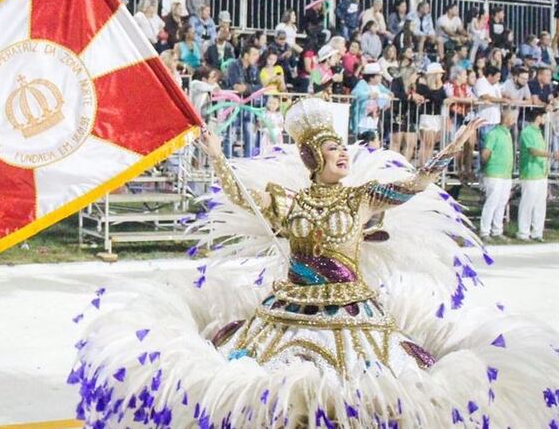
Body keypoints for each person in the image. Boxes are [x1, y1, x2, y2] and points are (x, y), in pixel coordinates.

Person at [72, 98, 559, 428]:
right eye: (332, 150)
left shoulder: (363, 199)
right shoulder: (290, 202)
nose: (342, 154)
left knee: (375, 391)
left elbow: (412, 186)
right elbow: (241, 195)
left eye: (342, 148)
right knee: (271, 393)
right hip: (286, 315)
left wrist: (452, 147)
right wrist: (218, 155)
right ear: (312, 157)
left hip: (355, 316)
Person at [480, 107, 517, 238]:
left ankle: (497, 230)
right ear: (506, 119)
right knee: (492, 202)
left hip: (506, 174)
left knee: (502, 203)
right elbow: (485, 153)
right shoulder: (494, 133)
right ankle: (485, 231)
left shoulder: (507, 133)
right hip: (494, 173)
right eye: (512, 118)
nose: (514, 121)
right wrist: (487, 166)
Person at [517, 108, 553, 241]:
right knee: (528, 203)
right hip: (530, 173)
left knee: (540, 204)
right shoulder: (527, 132)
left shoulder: (539, 132)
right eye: (544, 116)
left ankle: (537, 232)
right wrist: (552, 155)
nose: (545, 119)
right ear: (538, 117)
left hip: (541, 173)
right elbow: (533, 151)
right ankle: (523, 232)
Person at [415, 62, 447, 165]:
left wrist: (439, 84)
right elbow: (435, 97)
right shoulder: (423, 86)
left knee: (431, 144)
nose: (441, 76)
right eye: (439, 74)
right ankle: (422, 166)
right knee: (426, 144)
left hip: (436, 117)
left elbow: (442, 97)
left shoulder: (441, 86)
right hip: (427, 116)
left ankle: (427, 166)